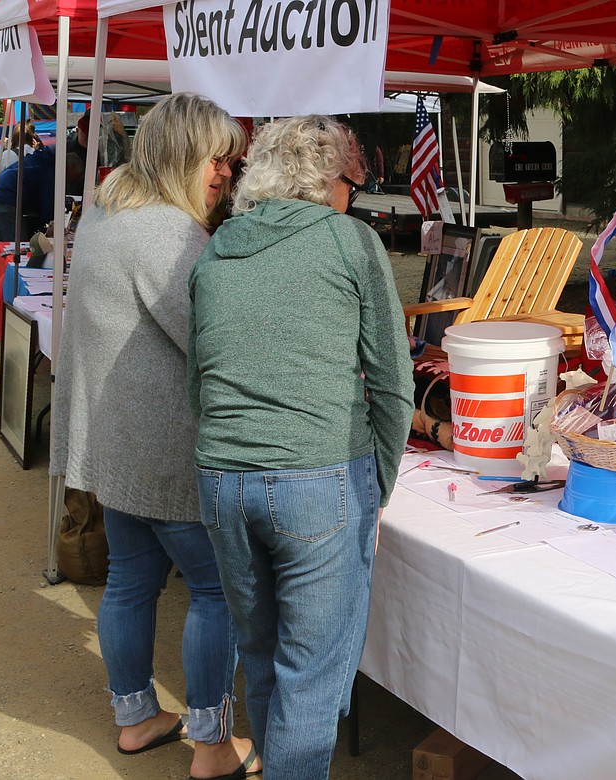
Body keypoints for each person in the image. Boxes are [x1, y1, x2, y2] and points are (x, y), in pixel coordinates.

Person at [187, 115, 414, 779]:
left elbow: (199, 382)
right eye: (351, 182)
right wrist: (376, 487)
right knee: (310, 679)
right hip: (317, 477)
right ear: (324, 182)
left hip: (222, 477)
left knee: (264, 659)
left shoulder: (217, 248)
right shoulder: (349, 241)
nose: (354, 196)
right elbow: (395, 386)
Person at [49, 93, 260, 780]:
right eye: (218, 160)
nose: (227, 173)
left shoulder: (112, 210)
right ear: (183, 157)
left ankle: (136, 717)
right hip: (167, 447)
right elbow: (218, 345)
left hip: (116, 444)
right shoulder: (172, 237)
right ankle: (211, 745)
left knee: (132, 583)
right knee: (216, 589)